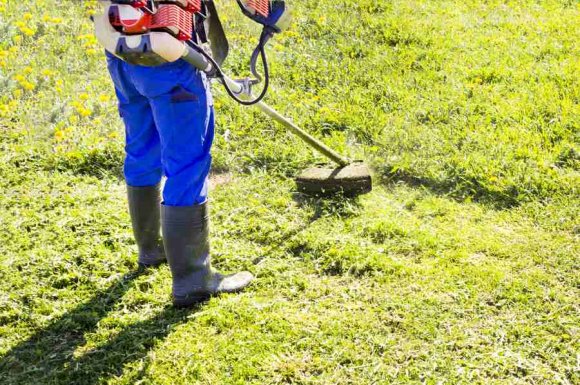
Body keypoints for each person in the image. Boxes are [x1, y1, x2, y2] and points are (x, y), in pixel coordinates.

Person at [105, 49, 253, 307]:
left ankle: (150, 249)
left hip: (122, 54)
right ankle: (193, 281)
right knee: (187, 163)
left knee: (142, 149)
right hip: (169, 60)